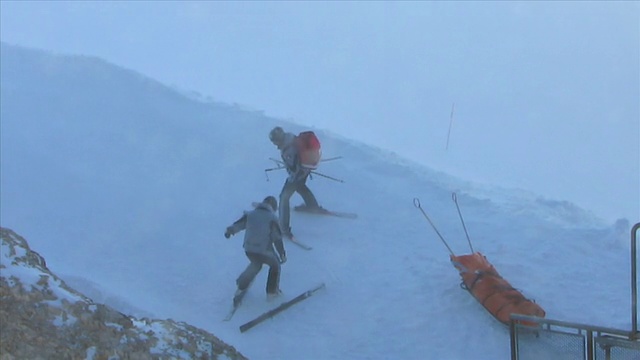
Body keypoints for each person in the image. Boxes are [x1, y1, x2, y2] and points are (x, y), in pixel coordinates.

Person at [224, 195, 286, 302]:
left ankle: (241, 284)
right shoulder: (272, 218)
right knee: (275, 265)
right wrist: (282, 254)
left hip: (249, 249)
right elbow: (277, 238)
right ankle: (272, 292)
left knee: (256, 264)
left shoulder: (251, 214)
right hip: (264, 250)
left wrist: (230, 231)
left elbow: (238, 225)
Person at [268, 126, 321, 238]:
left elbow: (293, 168)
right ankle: (312, 206)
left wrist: (292, 176)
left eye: (274, 141)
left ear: (279, 139)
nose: (274, 144)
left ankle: (284, 229)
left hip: (299, 172)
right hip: (306, 168)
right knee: (300, 186)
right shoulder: (291, 138)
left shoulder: (288, 149)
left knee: (284, 197)